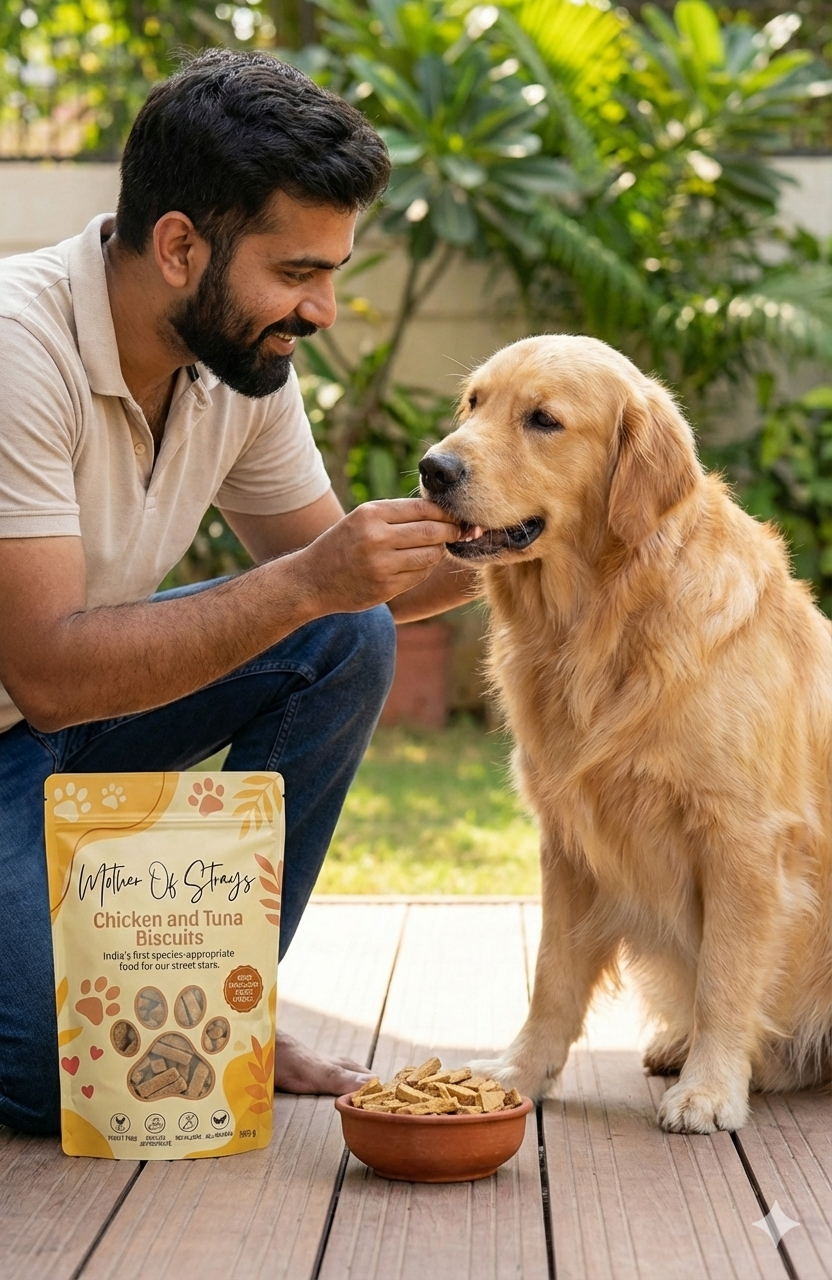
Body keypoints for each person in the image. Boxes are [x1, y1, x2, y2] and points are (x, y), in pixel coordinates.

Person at [0, 48, 475, 1135]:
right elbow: (47, 672)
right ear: (180, 246)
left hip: (67, 728)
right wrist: (315, 578)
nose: (326, 309)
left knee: (342, 632)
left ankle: (226, 1001)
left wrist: (536, 543)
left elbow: (354, 593)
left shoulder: (239, 362)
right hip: (32, 713)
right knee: (65, 1074)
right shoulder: (17, 348)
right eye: (300, 271)